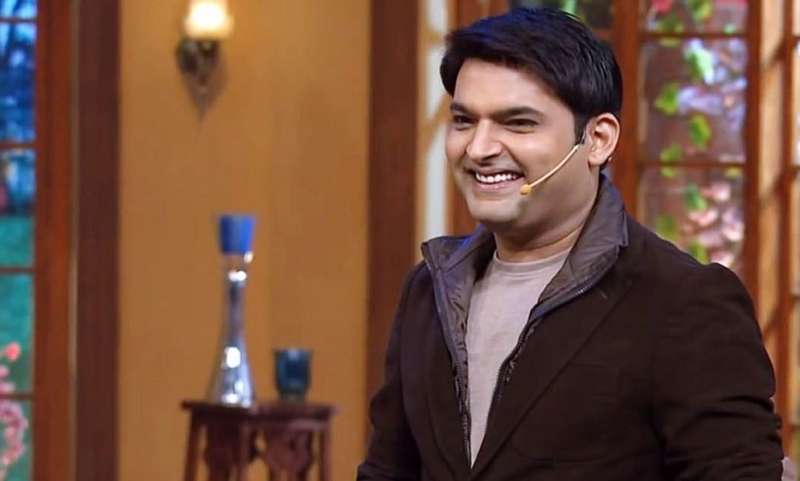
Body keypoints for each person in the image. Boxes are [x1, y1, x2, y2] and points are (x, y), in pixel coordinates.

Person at [357, 7, 784, 481]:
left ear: (598, 139)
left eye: (517, 123)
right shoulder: (429, 289)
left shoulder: (684, 302)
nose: (478, 149)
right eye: (463, 121)